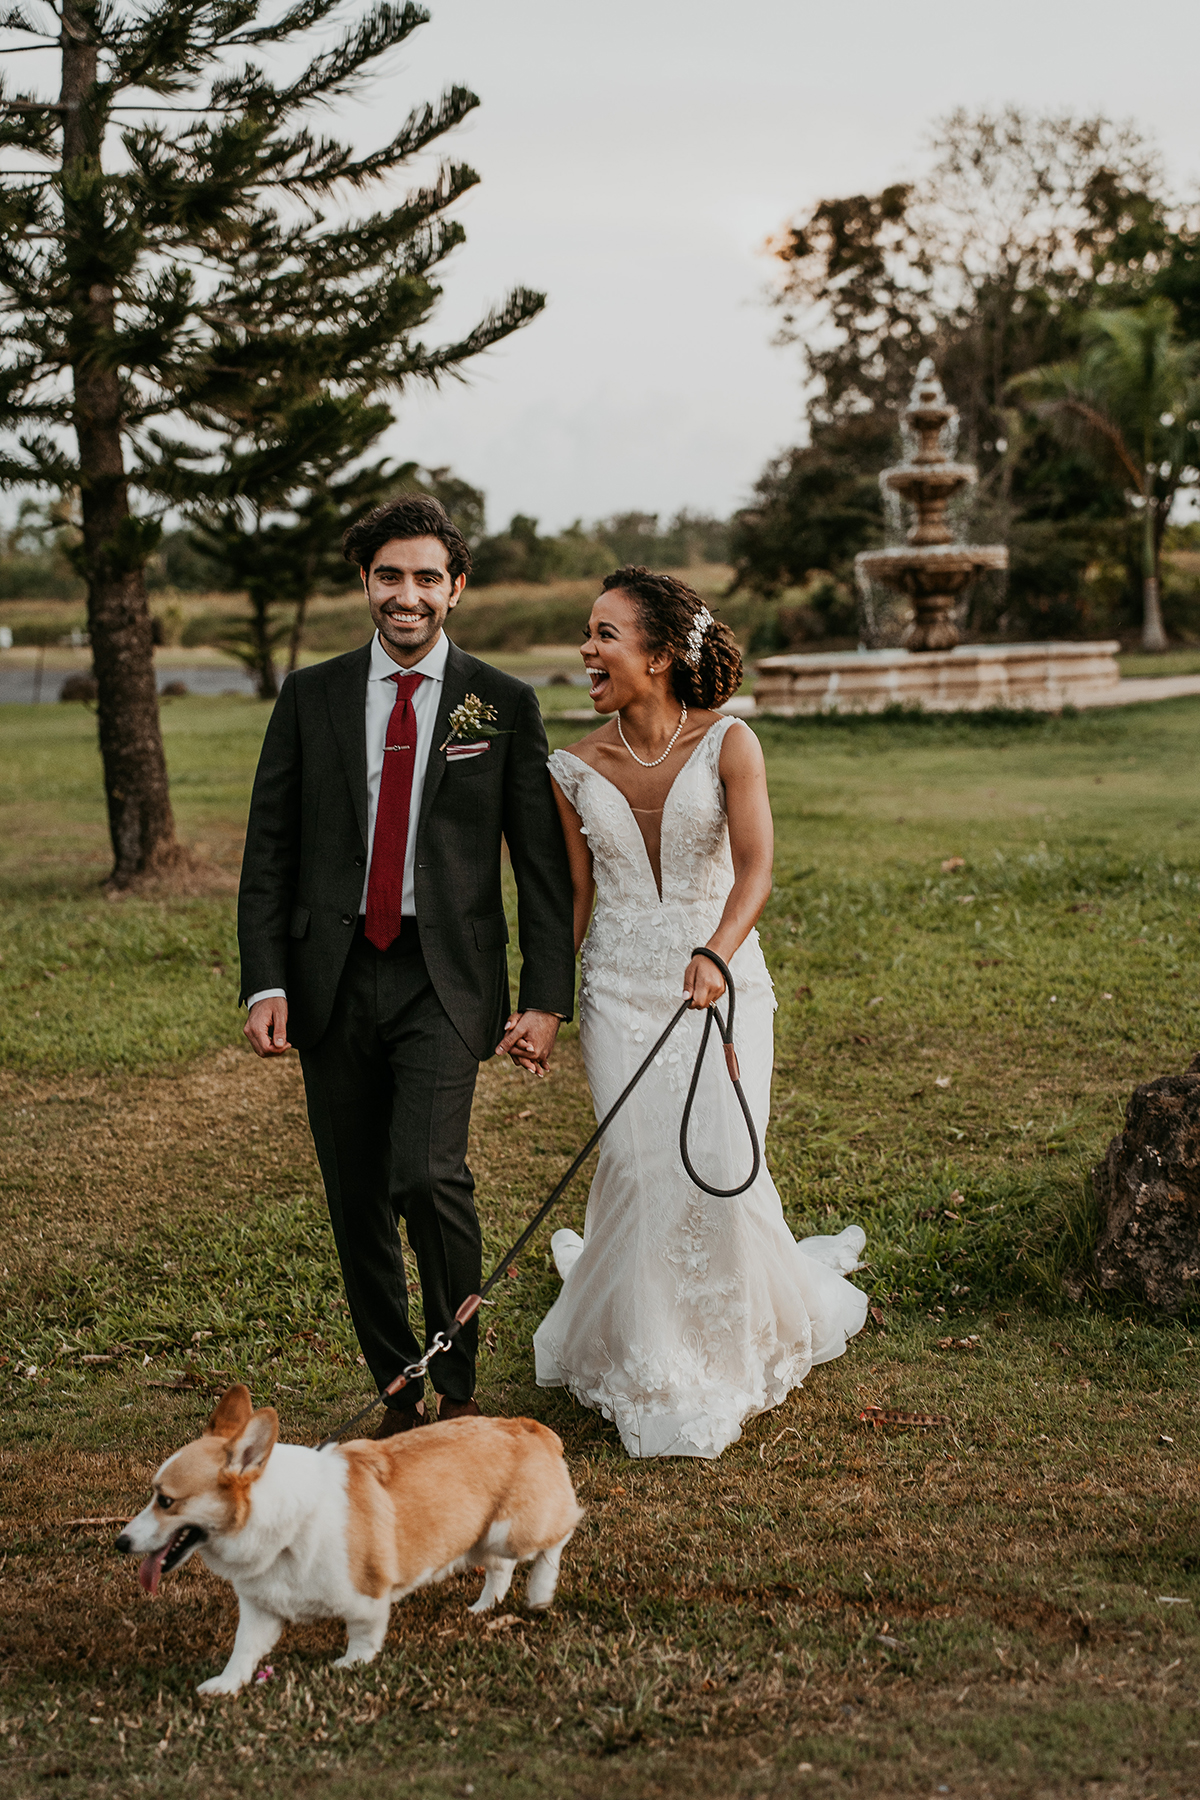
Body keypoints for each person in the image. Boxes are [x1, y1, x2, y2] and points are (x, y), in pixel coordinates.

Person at [237, 495, 575, 1434]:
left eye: (428, 576)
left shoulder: (500, 702)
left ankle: (457, 1385)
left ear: (456, 589)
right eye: (390, 575)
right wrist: (266, 980)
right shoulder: (312, 696)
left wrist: (548, 996)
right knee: (355, 1197)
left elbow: (540, 866)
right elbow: (269, 847)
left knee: (427, 1176)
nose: (408, 594)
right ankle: (398, 1394)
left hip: (443, 976)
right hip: (329, 978)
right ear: (366, 583)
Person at [533, 567, 868, 1459]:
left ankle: (731, 1344)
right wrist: (544, 1005)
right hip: (619, 990)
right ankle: (655, 1356)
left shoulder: (731, 743)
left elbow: (756, 867)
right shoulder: (570, 766)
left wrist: (717, 951)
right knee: (641, 1170)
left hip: (722, 979)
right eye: (588, 631)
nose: (587, 650)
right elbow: (573, 897)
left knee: (721, 1157)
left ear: (658, 653)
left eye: (605, 634)